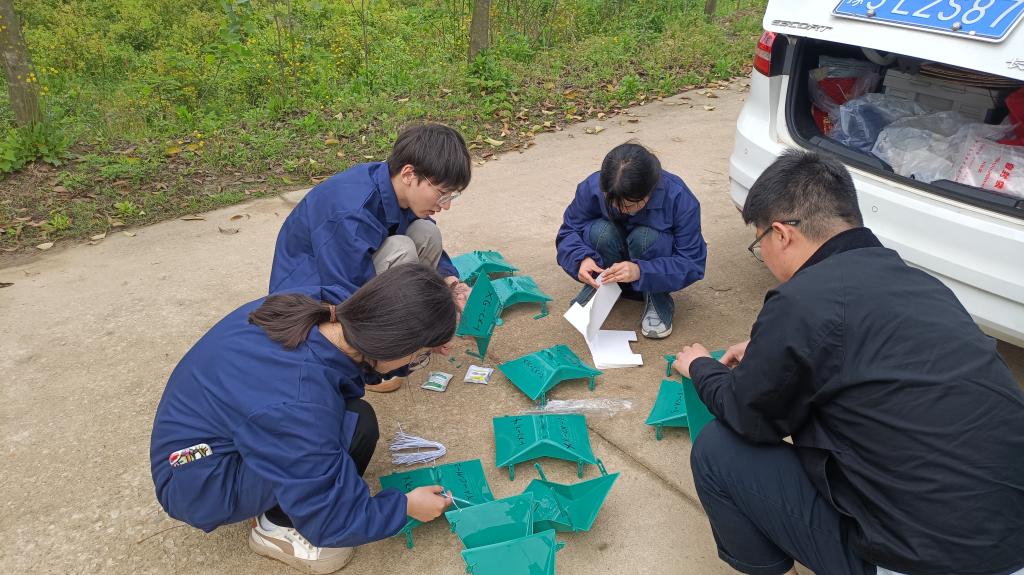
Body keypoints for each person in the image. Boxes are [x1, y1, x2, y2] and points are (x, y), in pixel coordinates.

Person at [672, 150, 1024, 575]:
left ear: (781, 234)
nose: (762, 252)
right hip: (1010, 539)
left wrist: (700, 367)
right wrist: (772, 346)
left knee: (718, 449)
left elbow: (750, 415)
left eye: (758, 242)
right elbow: (858, 342)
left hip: (924, 561)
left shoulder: (801, 301)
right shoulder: (920, 283)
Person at [150, 264, 457, 574]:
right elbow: (335, 521)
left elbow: (360, 365)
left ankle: (281, 492)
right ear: (392, 345)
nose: (417, 361)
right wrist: (404, 507)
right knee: (354, 429)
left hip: (200, 442)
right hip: (198, 484)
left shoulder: (326, 306)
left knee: (355, 419)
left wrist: (415, 350)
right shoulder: (299, 403)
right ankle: (276, 526)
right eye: (419, 355)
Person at [555, 143, 706, 339]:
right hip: (609, 263)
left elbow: (691, 262)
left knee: (644, 237)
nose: (620, 209)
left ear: (651, 190)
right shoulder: (593, 187)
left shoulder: (679, 198)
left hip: (653, 272)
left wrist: (641, 271)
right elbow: (568, 231)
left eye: (629, 205)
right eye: (612, 202)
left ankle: (655, 297)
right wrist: (581, 258)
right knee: (600, 231)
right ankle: (601, 286)